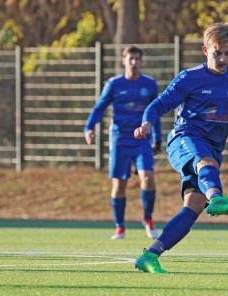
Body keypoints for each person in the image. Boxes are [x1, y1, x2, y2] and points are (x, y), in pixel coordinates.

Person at [132, 23, 228, 273]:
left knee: (193, 205)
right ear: (206, 50)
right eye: (218, 53)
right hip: (184, 139)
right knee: (206, 163)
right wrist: (146, 124)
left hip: (213, 148)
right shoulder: (190, 78)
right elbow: (157, 105)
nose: (223, 58)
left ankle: (150, 256)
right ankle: (217, 197)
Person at [84, 45, 161, 240]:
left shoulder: (150, 85)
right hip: (120, 139)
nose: (134, 63)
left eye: (137, 59)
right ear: (124, 61)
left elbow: (156, 113)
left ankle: (148, 219)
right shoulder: (114, 84)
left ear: (141, 62)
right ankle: (120, 227)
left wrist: (158, 137)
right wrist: (89, 127)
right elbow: (100, 107)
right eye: (130, 59)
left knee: (148, 178)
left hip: (142, 139)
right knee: (119, 185)